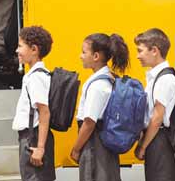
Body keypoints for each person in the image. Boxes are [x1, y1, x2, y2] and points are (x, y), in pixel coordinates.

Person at [71, 33, 129, 181]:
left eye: (84, 52)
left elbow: (89, 122)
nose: (81, 56)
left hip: (94, 144)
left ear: (96, 56)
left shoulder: (98, 85)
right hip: (103, 141)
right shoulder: (108, 78)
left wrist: (76, 149)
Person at [12, 26, 55, 181]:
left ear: (34, 49)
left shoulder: (36, 78)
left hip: (33, 139)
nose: (17, 50)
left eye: (20, 46)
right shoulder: (35, 75)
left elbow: (44, 112)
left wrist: (40, 148)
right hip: (32, 137)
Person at [134, 28, 175, 181]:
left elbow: (157, 117)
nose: (138, 56)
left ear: (154, 51)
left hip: (159, 139)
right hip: (156, 138)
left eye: (140, 51)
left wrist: (143, 145)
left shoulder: (165, 79)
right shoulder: (156, 77)